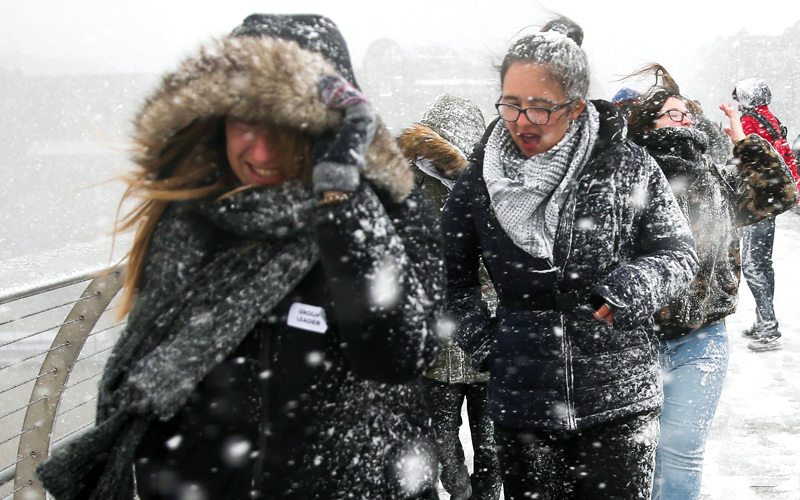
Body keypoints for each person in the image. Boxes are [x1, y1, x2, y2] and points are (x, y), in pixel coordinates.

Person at [36, 14, 444, 500]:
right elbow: (152, 385)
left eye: (289, 124)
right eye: (246, 120)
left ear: (329, 127)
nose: (263, 149)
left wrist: (341, 198)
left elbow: (397, 353)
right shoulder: (193, 218)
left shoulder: (391, 213)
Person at [442, 18, 699, 500]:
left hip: (619, 396)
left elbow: (678, 254)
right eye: (511, 104)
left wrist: (630, 287)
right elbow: (446, 276)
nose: (521, 120)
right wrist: (485, 346)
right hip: (524, 402)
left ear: (576, 106)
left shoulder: (626, 163)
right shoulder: (480, 176)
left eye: (540, 108)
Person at [626, 65, 797, 500]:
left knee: (681, 448)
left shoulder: (714, 179)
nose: (684, 122)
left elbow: (779, 194)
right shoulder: (626, 178)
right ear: (646, 124)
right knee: (635, 453)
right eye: (671, 114)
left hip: (701, 336)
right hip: (631, 338)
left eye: (688, 115)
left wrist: (745, 142)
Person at [398, 93, 501, 500]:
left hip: (480, 336)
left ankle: (479, 494)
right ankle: (465, 493)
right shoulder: (410, 188)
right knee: (455, 445)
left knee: (482, 444)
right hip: (448, 341)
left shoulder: (492, 184)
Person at [732, 78, 800, 351]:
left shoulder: (750, 122)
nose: (738, 104)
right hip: (770, 197)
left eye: (740, 98)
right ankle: (763, 320)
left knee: (752, 264)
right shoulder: (769, 118)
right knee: (761, 262)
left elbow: (745, 160)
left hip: (757, 200)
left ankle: (769, 326)